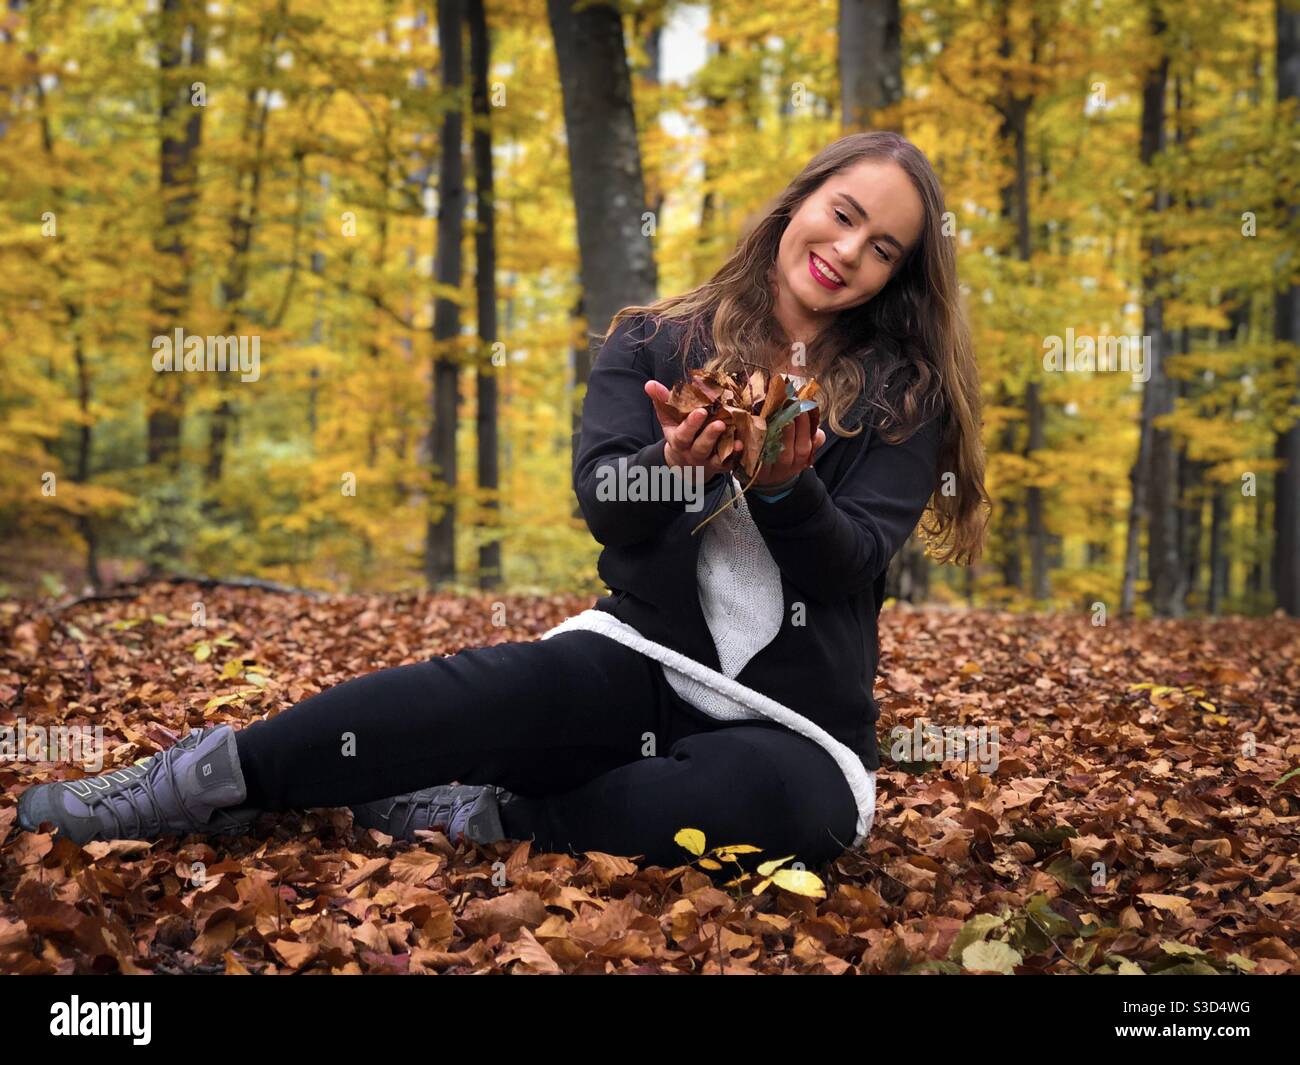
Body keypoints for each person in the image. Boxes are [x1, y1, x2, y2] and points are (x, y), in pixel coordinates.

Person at [16, 131, 989, 881]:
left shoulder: (905, 397)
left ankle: (494, 820)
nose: (848, 248)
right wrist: (676, 464)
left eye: (883, 247)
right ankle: (196, 783)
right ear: (799, 203)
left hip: (796, 726)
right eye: (843, 212)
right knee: (470, 693)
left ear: (896, 276)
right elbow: (607, 509)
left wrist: (783, 485)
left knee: (758, 807)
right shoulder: (652, 342)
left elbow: (851, 561)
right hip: (642, 661)